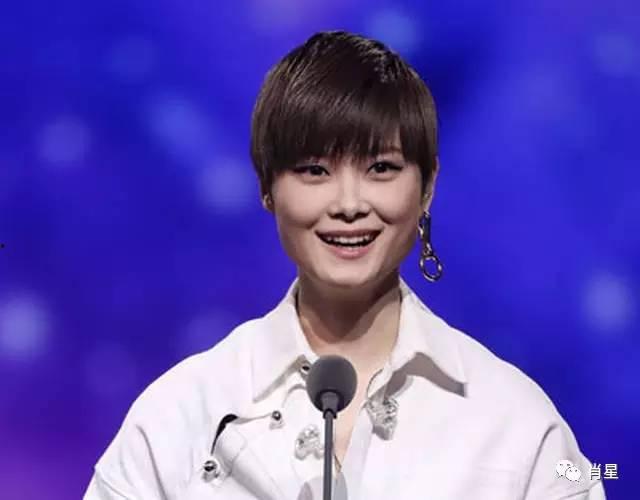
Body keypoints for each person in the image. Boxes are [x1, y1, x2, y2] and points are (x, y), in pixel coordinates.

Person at [84, 30, 605, 500]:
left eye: (381, 168)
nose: (349, 204)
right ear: (267, 187)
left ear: (427, 186)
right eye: (315, 170)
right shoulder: (178, 417)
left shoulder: (516, 422)